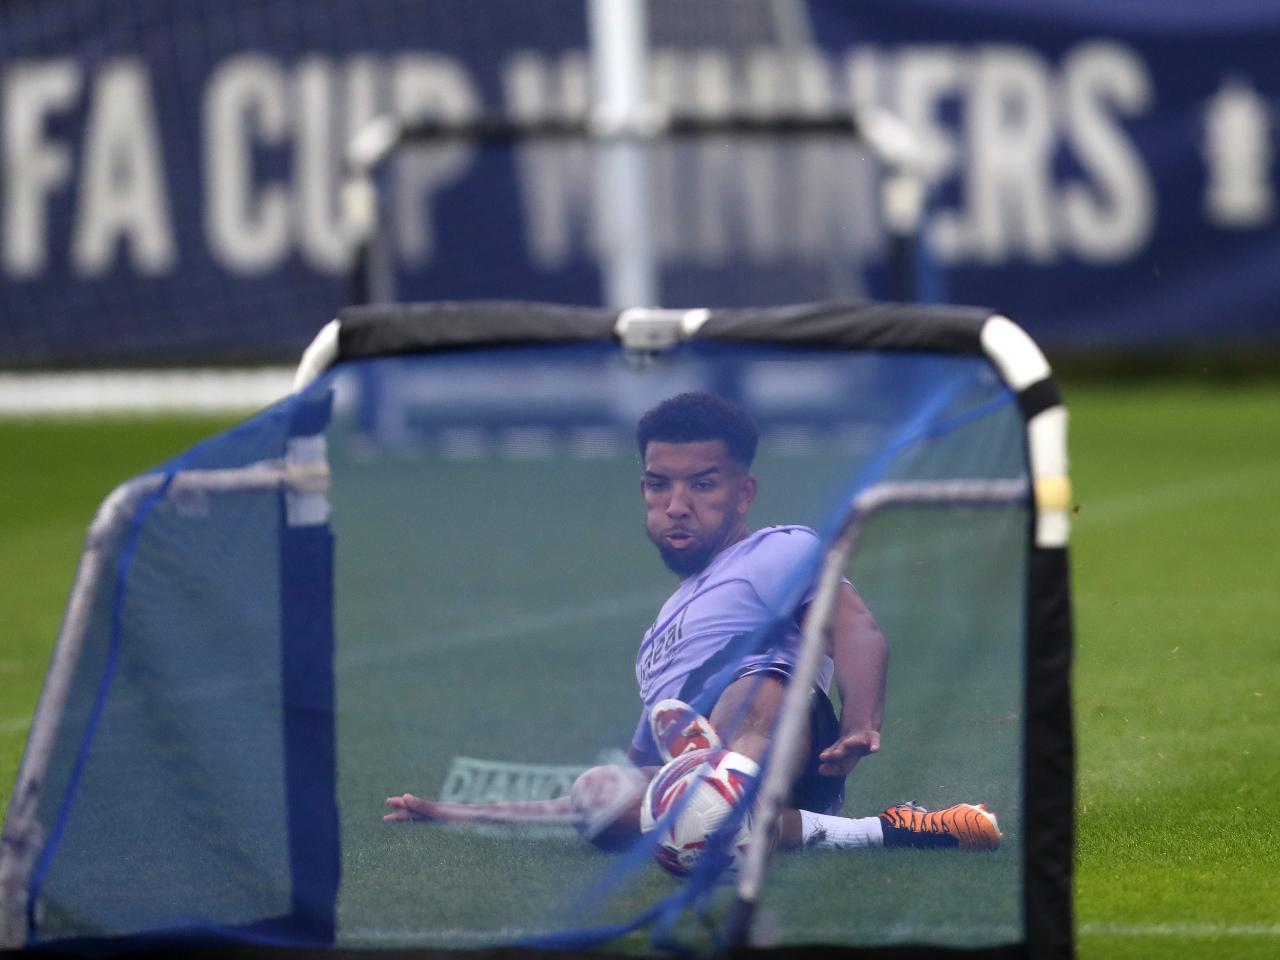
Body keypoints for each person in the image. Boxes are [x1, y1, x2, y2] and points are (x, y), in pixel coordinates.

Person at [386, 392, 1000, 852]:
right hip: (699, 777)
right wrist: (463, 812)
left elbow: (855, 628)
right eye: (659, 487)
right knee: (598, 790)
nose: (676, 506)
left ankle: (722, 793)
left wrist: (860, 723)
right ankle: (868, 831)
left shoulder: (775, 550)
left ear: (744, 492)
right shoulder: (655, 642)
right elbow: (631, 774)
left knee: (754, 684)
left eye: (702, 485)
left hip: (788, 744)